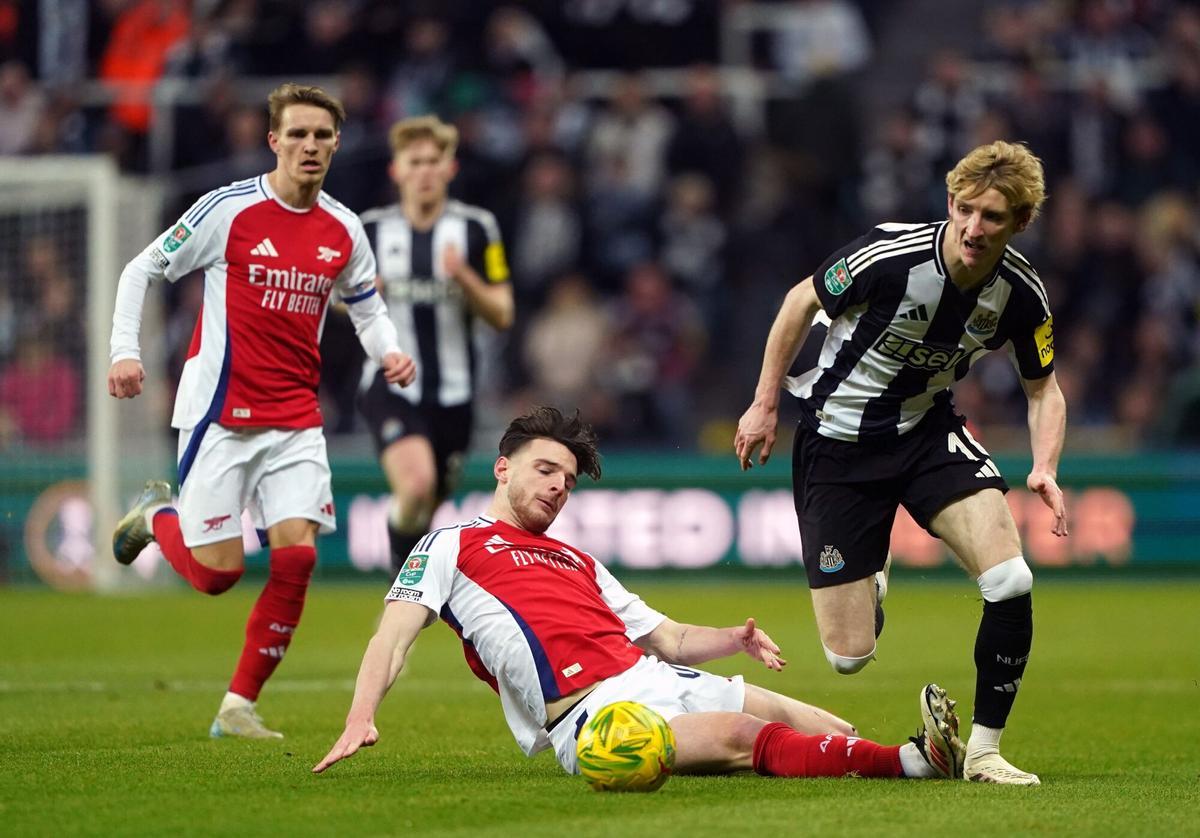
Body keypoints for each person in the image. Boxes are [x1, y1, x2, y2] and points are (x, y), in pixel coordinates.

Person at [314, 407, 965, 782]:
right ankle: (916, 762)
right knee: (743, 734)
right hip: (597, 717)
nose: (558, 487)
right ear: (503, 468)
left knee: (827, 727)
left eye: (568, 480)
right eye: (546, 470)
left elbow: (667, 638)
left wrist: (731, 640)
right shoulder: (450, 544)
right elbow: (392, 636)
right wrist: (360, 714)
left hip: (657, 675)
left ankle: (904, 756)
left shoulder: (578, 560)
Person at [734, 140, 1066, 785]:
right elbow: (800, 301)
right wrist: (764, 402)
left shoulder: (1021, 293)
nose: (973, 228)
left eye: (993, 217)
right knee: (848, 657)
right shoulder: (891, 255)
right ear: (949, 202)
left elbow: (1044, 389)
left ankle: (984, 752)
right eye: (965, 209)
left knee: (1011, 580)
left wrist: (1045, 466)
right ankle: (874, 575)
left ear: (1021, 222)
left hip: (925, 431)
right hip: (836, 442)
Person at [108, 83, 416, 740]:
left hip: (297, 419)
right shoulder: (229, 210)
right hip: (221, 414)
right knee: (216, 576)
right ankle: (156, 516)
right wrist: (124, 352)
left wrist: (389, 351)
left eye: (322, 135)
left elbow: (366, 306)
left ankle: (237, 706)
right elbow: (140, 270)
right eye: (297, 134)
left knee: (297, 558)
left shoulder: (343, 228)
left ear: (336, 143)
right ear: (274, 141)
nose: (310, 145)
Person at [357, 115, 514, 576]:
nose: (424, 171)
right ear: (397, 170)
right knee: (416, 485)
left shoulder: (478, 228)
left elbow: (503, 313)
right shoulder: (369, 230)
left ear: (450, 168)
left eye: (433, 161)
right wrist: (362, 295)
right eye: (415, 162)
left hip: (456, 394)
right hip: (391, 383)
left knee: (426, 507)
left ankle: (409, 592)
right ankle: (398, 584)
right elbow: (335, 303)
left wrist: (463, 276)